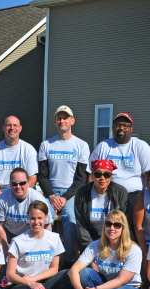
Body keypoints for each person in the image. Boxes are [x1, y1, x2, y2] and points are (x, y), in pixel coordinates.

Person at [69, 210, 142, 289]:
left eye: (117, 225)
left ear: (123, 228)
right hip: (106, 288)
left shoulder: (134, 250)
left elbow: (120, 280)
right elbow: (73, 270)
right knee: (84, 272)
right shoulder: (95, 245)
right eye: (108, 224)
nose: (111, 228)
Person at [38, 106, 90, 267]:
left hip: (72, 194)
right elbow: (42, 176)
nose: (62, 121)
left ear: (72, 121)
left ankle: (69, 259)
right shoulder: (46, 145)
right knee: (42, 217)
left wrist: (64, 198)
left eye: (65, 118)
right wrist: (52, 197)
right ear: (55, 122)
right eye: (59, 118)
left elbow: (81, 179)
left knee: (72, 218)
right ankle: (44, 259)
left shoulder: (81, 145)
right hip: (49, 194)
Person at [6, 201, 71, 289]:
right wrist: (29, 283)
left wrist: (34, 279)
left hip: (40, 282)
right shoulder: (18, 242)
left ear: (46, 218)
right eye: (33, 218)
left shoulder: (54, 238)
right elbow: (10, 275)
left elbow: (54, 269)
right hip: (19, 286)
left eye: (40, 218)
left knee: (68, 274)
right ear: (28, 218)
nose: (36, 222)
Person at [89, 112, 150, 211]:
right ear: (113, 127)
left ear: (131, 129)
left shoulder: (141, 146)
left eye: (125, 125)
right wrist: (92, 196)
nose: (121, 128)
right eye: (118, 125)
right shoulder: (103, 146)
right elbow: (91, 175)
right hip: (107, 194)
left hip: (134, 195)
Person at [0, 116, 38, 212]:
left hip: (23, 190)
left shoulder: (28, 150)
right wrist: (0, 194)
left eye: (15, 125)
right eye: (8, 125)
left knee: (41, 212)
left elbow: (32, 179)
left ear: (20, 128)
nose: (12, 128)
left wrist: (20, 194)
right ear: (3, 128)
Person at [0, 168, 53, 256]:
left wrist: (44, 246)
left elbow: (46, 225)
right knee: (3, 263)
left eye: (22, 183)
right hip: (10, 234)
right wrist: (5, 249)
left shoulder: (38, 199)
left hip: (32, 234)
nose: (18, 187)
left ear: (28, 183)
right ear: (10, 184)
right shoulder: (2, 199)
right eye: (14, 184)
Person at [75, 159, 132, 251]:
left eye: (106, 174)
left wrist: (115, 247)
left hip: (116, 242)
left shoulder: (120, 192)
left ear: (110, 176)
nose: (102, 178)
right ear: (92, 176)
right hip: (92, 243)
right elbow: (82, 225)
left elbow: (126, 223)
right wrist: (91, 250)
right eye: (98, 174)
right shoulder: (82, 192)